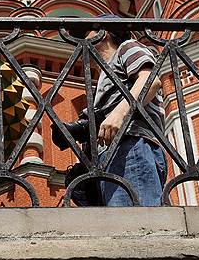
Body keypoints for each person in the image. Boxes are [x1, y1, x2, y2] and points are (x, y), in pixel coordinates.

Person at [69, 21, 167, 206]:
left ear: (104, 33)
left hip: (131, 144)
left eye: (86, 34)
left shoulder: (126, 48)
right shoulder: (103, 76)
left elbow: (150, 81)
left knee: (138, 217)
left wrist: (119, 114)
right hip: (112, 154)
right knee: (124, 218)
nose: (82, 41)